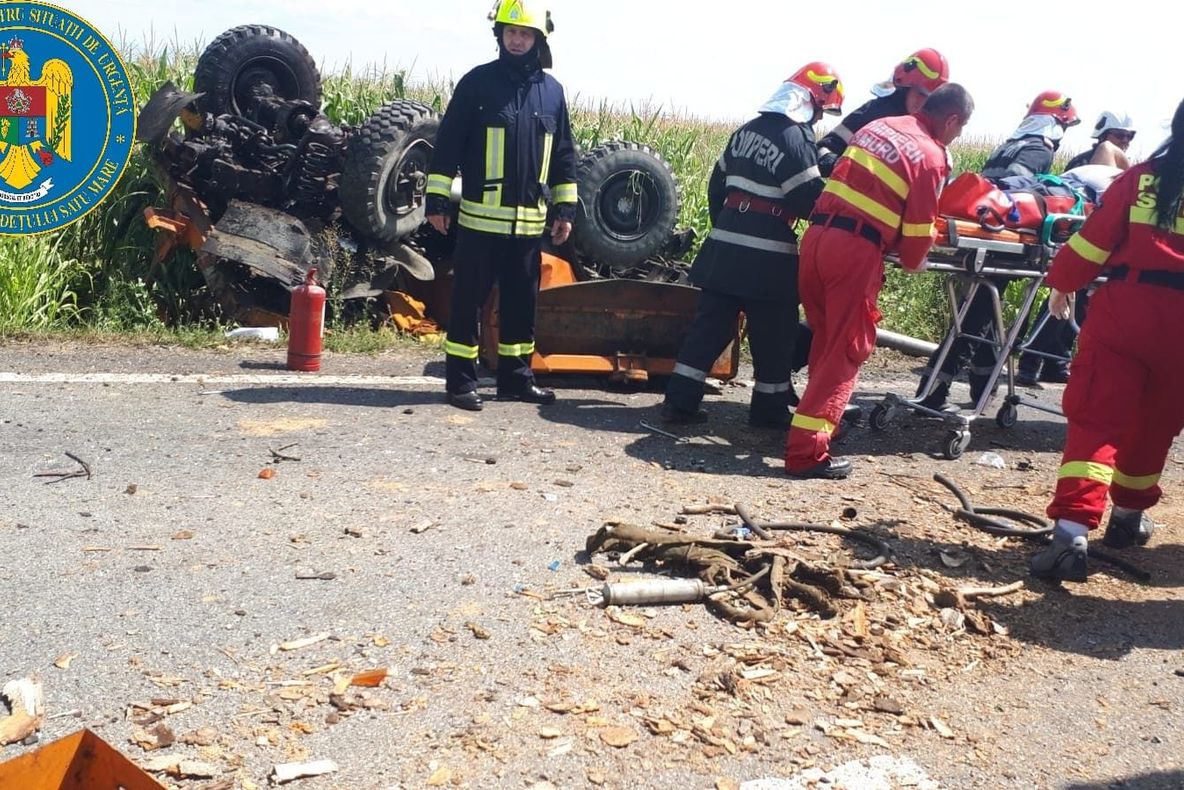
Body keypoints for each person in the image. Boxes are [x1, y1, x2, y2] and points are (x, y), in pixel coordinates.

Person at [1029, 97, 1184, 582]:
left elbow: (1091, 243)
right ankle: (1128, 519)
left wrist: (1062, 283)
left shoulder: (1140, 180)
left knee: (1097, 421)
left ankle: (1071, 533)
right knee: (1157, 421)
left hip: (1126, 313)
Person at [785, 84, 975, 479]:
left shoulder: (880, 126)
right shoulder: (931, 155)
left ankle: (817, 431)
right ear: (952, 120)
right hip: (854, 251)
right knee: (846, 349)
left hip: (817, 239)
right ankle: (806, 453)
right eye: (959, 129)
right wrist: (916, 259)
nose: (956, 137)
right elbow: (918, 236)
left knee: (826, 339)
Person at [661, 63, 844, 428]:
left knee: (707, 330)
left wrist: (728, 228)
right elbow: (808, 199)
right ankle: (768, 410)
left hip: (724, 248)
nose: (819, 119)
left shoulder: (745, 131)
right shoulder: (796, 138)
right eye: (821, 111)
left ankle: (679, 403)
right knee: (774, 333)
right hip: (768, 256)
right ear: (811, 101)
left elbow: (717, 186)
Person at [424, 0, 578, 412]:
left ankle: (515, 378)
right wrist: (437, 199)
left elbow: (564, 155)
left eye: (524, 33)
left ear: (537, 39)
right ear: (499, 35)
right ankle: (460, 382)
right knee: (468, 303)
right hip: (479, 223)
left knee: (521, 305)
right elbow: (449, 145)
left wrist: (565, 211)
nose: (516, 39)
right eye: (510, 31)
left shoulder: (553, 93)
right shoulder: (477, 84)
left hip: (529, 227)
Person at [917, 91, 1080, 410]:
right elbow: (1014, 194)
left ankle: (980, 388)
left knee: (983, 311)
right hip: (1004, 238)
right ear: (1055, 124)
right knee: (978, 315)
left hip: (982, 231)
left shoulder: (1011, 144)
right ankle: (938, 389)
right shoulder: (1037, 150)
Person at [1016, 112, 1137, 387]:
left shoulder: (1103, 168)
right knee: (1061, 304)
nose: (1126, 141)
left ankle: (1055, 364)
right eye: (1122, 135)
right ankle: (1029, 362)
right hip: (1077, 239)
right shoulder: (1094, 162)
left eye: (1130, 137)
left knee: (1077, 308)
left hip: (1089, 240)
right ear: (1105, 135)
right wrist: (1129, 173)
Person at [817, 49, 949, 177]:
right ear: (905, 88)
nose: (924, 103)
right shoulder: (874, 112)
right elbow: (825, 149)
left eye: (930, 99)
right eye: (921, 94)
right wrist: (845, 168)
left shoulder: (930, 134)